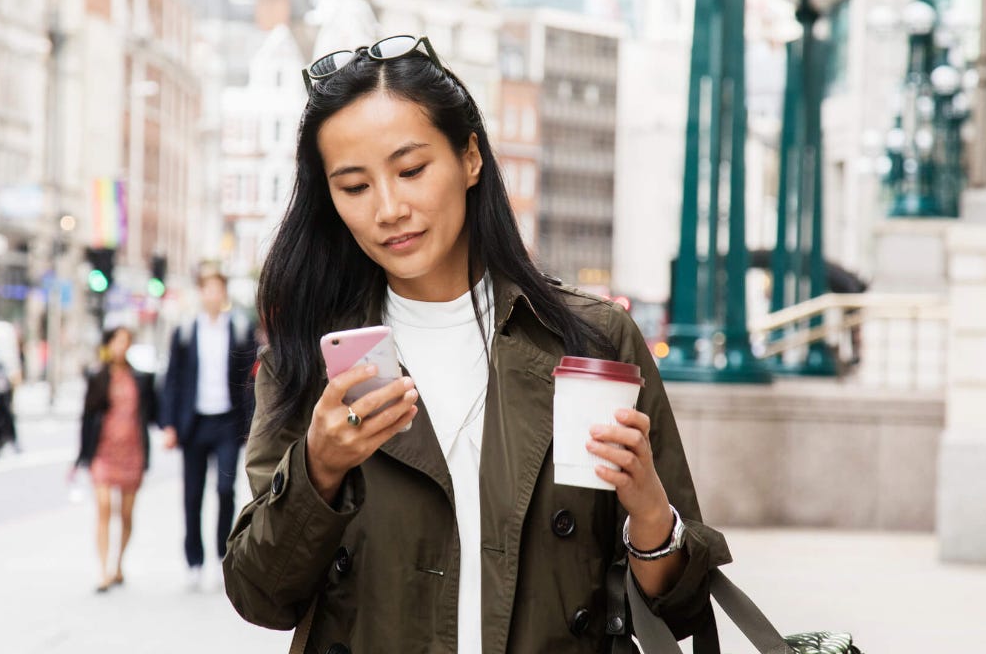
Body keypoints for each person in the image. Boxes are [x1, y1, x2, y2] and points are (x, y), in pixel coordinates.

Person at [222, 35, 729, 653]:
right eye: (354, 186)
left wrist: (652, 517)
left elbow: (681, 609)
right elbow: (260, 596)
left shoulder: (590, 341)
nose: (389, 208)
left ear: (470, 158)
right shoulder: (311, 361)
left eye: (411, 170)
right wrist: (318, 469)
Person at [160, 264, 257, 589]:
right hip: (194, 423)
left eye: (217, 289)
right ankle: (194, 560)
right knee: (192, 495)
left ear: (223, 293)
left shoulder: (241, 329)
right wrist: (170, 424)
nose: (212, 295)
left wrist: (251, 423)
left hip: (227, 422)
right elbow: (172, 380)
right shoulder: (186, 332)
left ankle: (220, 555)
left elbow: (250, 380)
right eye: (207, 289)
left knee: (225, 490)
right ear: (201, 293)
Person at [74, 326, 158, 593]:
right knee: (104, 507)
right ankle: (103, 570)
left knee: (126, 513)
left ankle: (119, 563)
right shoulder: (97, 376)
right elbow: (87, 417)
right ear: (108, 344)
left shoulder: (141, 379)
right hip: (104, 449)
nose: (121, 347)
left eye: (125, 342)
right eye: (116, 341)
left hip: (132, 450)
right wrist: (82, 455)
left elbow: (152, 412)